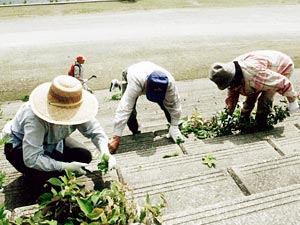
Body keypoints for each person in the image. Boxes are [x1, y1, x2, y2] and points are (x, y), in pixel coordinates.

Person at [1, 75, 116, 187]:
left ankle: (52, 163)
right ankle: (34, 175)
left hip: (53, 140)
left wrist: (105, 152)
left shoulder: (76, 106)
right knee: (43, 178)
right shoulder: (34, 118)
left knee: (84, 156)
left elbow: (95, 131)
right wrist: (65, 166)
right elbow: (31, 158)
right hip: (20, 145)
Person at [209, 50, 299, 129]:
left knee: (265, 98)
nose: (231, 87)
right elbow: (232, 95)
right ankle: (244, 120)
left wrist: (292, 101)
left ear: (234, 78)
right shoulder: (228, 73)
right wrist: (229, 115)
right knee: (250, 96)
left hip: (281, 65)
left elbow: (283, 83)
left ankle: (261, 123)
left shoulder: (255, 75)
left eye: (231, 84)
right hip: (260, 67)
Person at [108, 61, 183, 154]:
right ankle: (135, 131)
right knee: (130, 113)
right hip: (132, 74)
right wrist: (116, 136)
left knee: (167, 106)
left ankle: (173, 127)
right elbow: (125, 108)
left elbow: (174, 104)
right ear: (146, 85)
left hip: (152, 75)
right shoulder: (135, 82)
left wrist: (174, 125)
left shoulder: (169, 83)